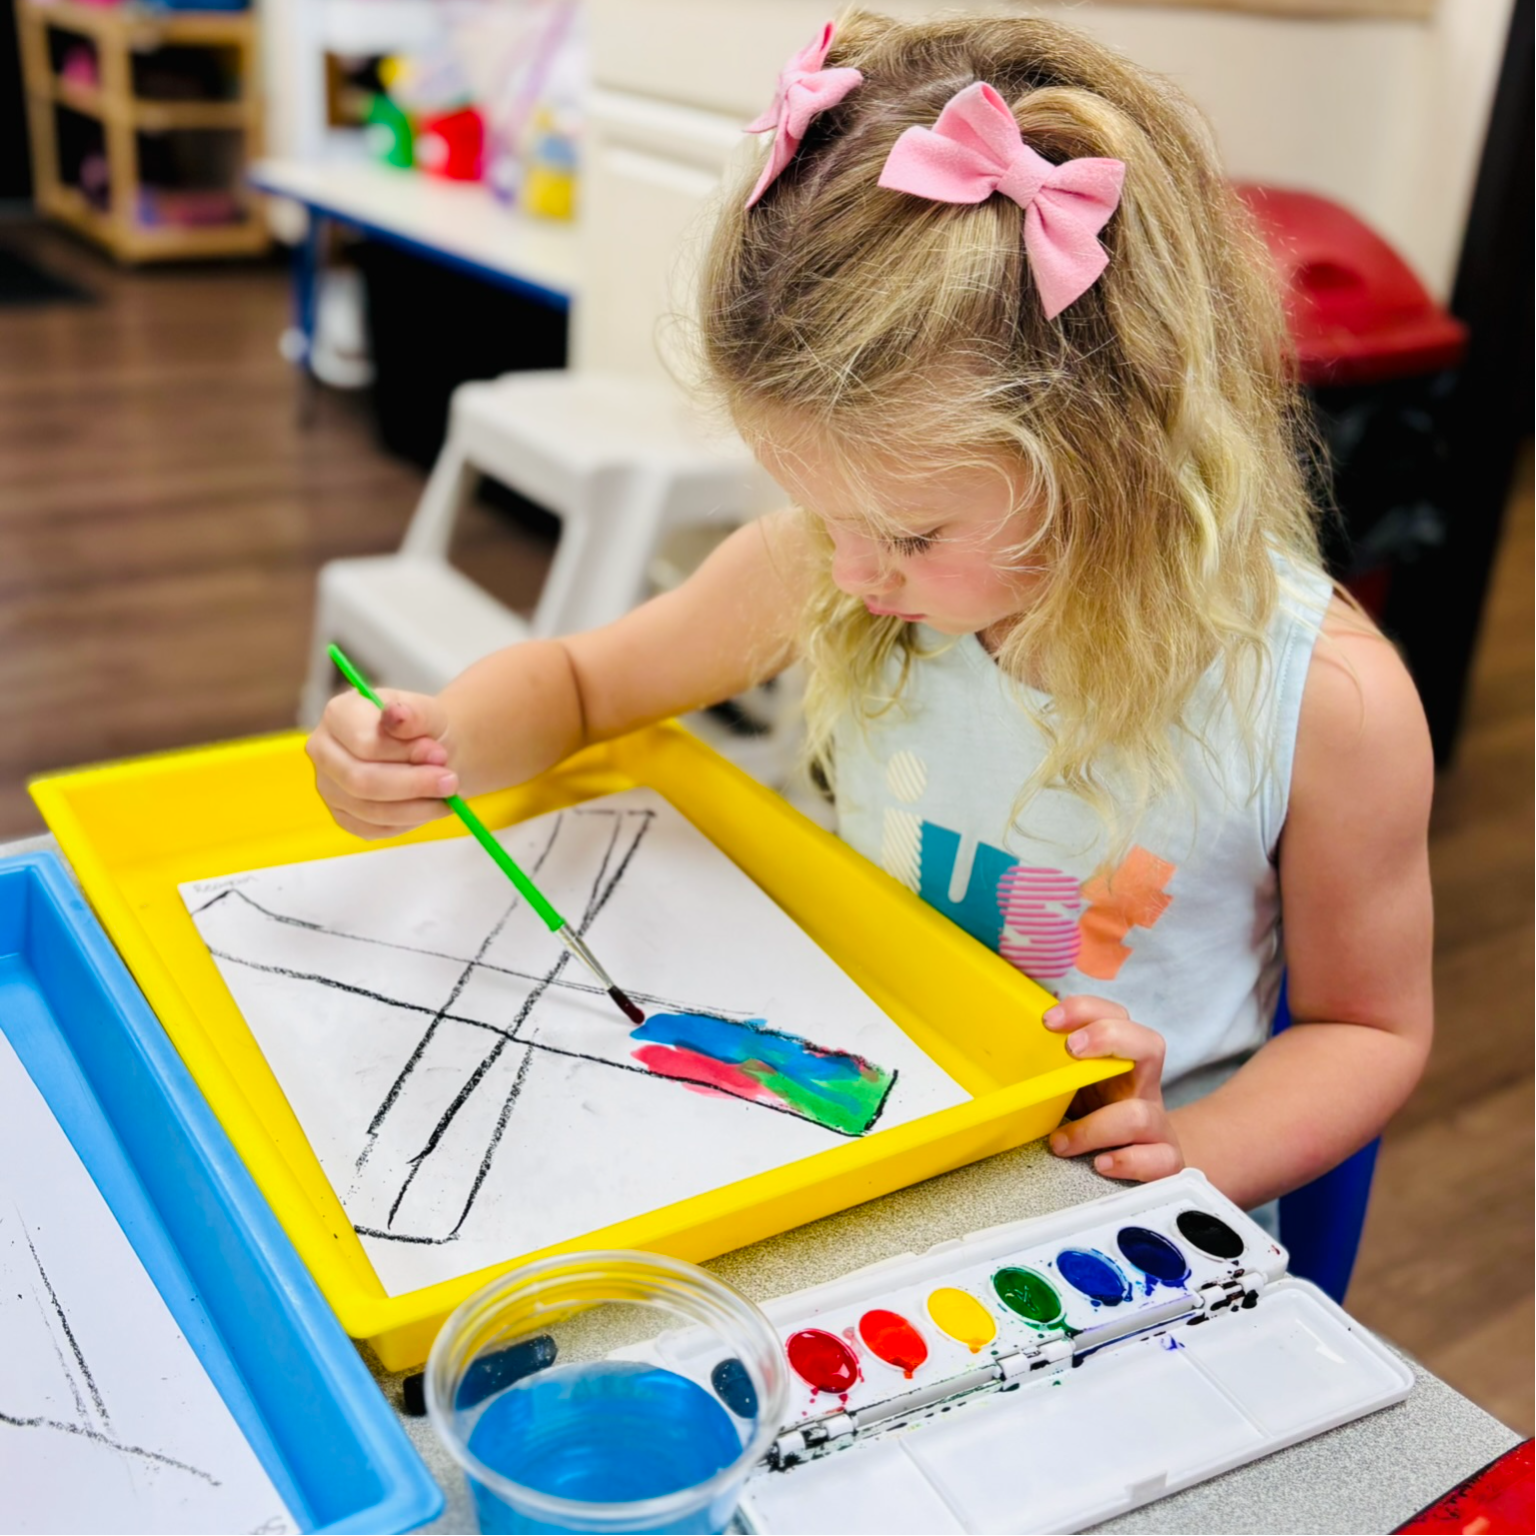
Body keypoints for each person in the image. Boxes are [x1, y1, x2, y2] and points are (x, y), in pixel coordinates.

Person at [304, 12, 1433, 1215]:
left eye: (906, 535)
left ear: (1114, 462)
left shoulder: (1326, 704)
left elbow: (1367, 1030)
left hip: (1107, 1204)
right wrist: (443, 746)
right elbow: (584, 688)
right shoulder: (826, 567)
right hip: (878, 1119)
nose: (847, 573)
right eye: (814, 508)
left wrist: (1187, 1157)